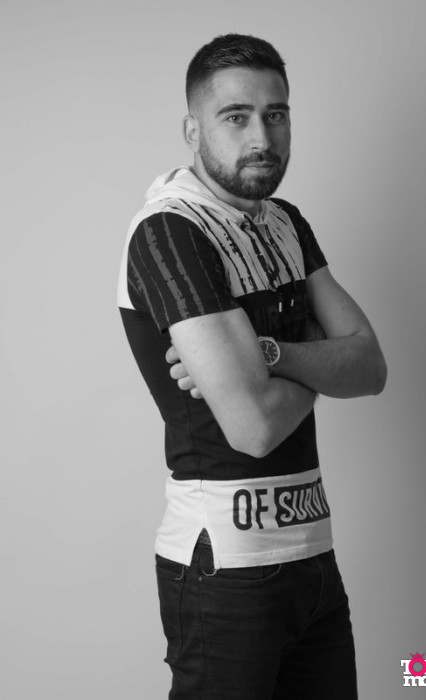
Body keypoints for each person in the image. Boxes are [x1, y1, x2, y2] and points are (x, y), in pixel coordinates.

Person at [118, 33, 386, 700]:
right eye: (235, 117)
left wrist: (274, 355)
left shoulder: (285, 221)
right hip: (224, 569)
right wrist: (324, 354)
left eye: (276, 114)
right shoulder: (170, 231)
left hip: (313, 554)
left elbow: (371, 366)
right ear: (193, 130)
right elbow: (254, 428)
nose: (261, 137)